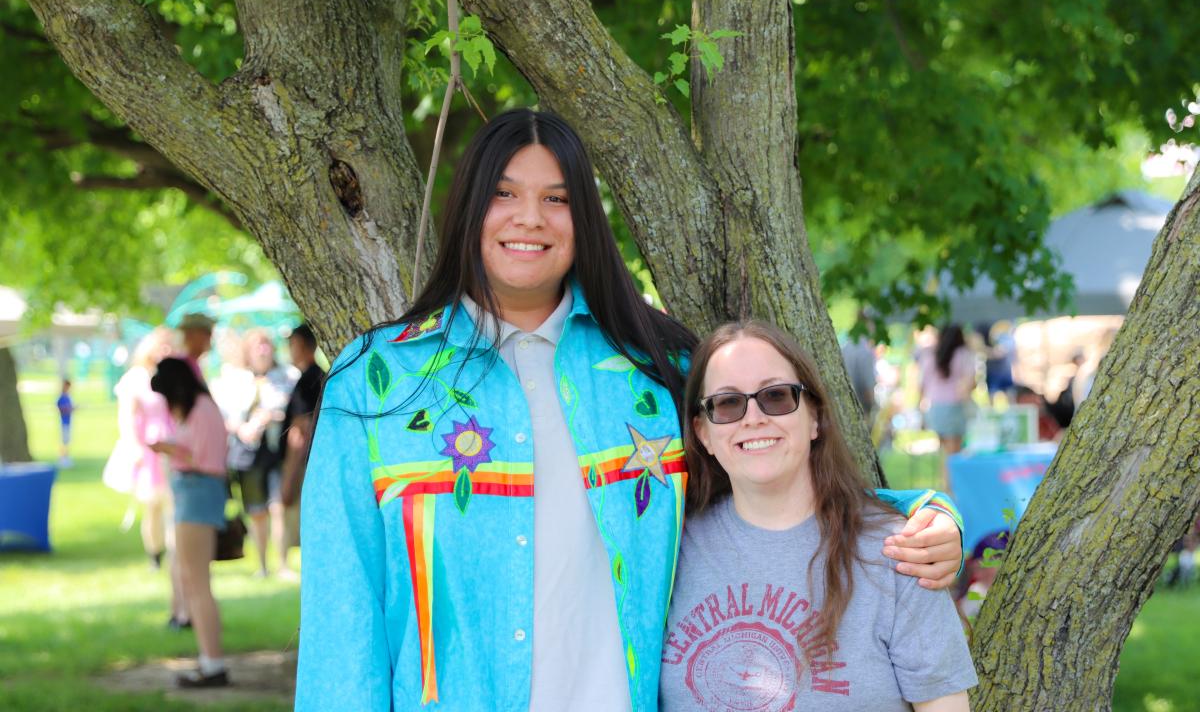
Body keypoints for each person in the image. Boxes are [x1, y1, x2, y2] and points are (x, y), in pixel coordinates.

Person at [297, 109, 964, 710]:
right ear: (468, 208)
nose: (529, 218)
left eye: (556, 200)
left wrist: (923, 514)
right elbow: (341, 618)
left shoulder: (658, 369)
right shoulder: (376, 383)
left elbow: (776, 469)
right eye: (504, 194)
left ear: (584, 221)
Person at [662, 321, 976, 710]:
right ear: (703, 432)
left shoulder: (900, 550)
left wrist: (938, 509)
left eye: (776, 396)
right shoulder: (668, 547)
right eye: (727, 403)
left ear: (815, 418)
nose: (753, 417)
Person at [148, 357, 230, 688]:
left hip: (197, 494)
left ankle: (212, 663)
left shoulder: (201, 410)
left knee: (196, 583)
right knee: (192, 581)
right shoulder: (202, 408)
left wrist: (170, 448)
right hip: (195, 494)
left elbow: (204, 459)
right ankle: (209, 660)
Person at [225, 329, 297, 578]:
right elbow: (227, 417)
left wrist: (271, 416)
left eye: (266, 344)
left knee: (279, 507)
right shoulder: (235, 378)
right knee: (257, 511)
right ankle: (263, 565)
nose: (263, 349)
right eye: (257, 345)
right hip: (248, 454)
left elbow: (294, 409)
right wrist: (243, 429)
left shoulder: (287, 375)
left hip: (277, 451)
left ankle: (283, 564)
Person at [105, 328, 175, 572]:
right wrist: (134, 447)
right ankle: (155, 554)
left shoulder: (174, 376)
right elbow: (127, 417)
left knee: (173, 502)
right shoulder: (137, 378)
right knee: (153, 503)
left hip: (172, 443)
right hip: (150, 446)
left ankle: (175, 551)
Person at [277, 323, 325, 569]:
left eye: (293, 344)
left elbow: (300, 431)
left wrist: (289, 475)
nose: (289, 350)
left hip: (305, 465)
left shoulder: (309, 380)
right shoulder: (315, 377)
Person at [918, 324, 976, 487]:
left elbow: (922, 384)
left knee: (945, 452)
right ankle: (952, 488)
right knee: (954, 453)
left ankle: (948, 486)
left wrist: (920, 410)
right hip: (954, 406)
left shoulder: (930, 355)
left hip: (935, 408)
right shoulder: (963, 354)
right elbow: (971, 382)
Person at [176, 313, 215, 385]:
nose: (210, 337)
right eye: (207, 332)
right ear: (191, 334)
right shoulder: (179, 367)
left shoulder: (192, 364)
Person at [56, 378, 75, 468]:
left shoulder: (67, 397)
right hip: (64, 422)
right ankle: (63, 459)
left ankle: (65, 457)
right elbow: (61, 408)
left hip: (68, 422)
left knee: (66, 441)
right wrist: (69, 409)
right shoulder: (62, 397)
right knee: (64, 441)